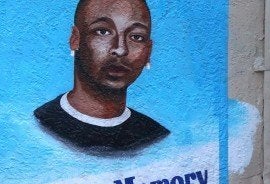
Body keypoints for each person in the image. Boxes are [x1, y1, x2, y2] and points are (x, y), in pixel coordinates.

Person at [34, 0, 169, 154]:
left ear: (148, 52)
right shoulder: (40, 124)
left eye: (136, 37)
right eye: (103, 31)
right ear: (75, 39)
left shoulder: (156, 137)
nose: (120, 49)